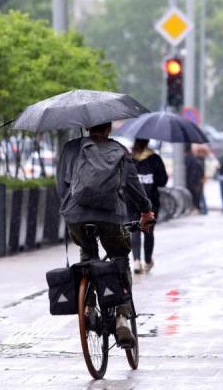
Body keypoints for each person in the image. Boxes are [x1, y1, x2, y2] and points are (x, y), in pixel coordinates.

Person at [57, 122, 155, 347]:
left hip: (76, 215)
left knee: (87, 252)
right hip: (110, 216)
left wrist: (69, 209)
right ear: (109, 128)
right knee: (120, 257)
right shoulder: (119, 150)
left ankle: (89, 308)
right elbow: (132, 186)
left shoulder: (71, 148)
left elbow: (61, 186)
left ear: (87, 126)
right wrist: (146, 210)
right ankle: (122, 318)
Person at [128, 139, 168, 274]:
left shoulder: (129, 158)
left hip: (132, 200)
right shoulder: (155, 158)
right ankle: (148, 260)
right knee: (148, 230)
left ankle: (136, 261)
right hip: (151, 201)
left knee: (135, 229)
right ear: (148, 142)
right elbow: (163, 181)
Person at [185, 143, 204, 212]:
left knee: (193, 196)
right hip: (195, 181)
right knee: (197, 196)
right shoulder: (195, 159)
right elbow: (201, 171)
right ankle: (198, 209)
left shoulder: (186, 159)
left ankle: (197, 209)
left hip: (190, 181)